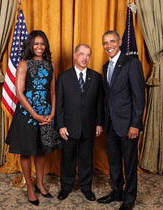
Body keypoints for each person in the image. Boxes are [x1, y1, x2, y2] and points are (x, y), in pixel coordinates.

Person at [6, 30, 60, 206]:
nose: (39, 47)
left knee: (41, 149)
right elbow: (19, 93)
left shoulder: (51, 64)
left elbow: (53, 91)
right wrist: (35, 114)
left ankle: (40, 183)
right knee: (27, 150)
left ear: (46, 46)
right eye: (36, 43)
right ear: (30, 45)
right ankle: (30, 186)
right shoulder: (24, 64)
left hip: (45, 112)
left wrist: (51, 113)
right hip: (27, 114)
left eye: (42, 43)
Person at [96, 31, 145, 210]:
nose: (108, 45)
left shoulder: (131, 63)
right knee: (114, 161)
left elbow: (139, 97)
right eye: (105, 43)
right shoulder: (105, 66)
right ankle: (116, 191)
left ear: (120, 42)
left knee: (130, 163)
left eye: (112, 41)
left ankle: (130, 197)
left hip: (127, 124)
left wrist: (135, 124)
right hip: (111, 124)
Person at [55, 44, 104, 201]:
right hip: (68, 127)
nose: (85, 58)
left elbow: (99, 104)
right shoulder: (63, 77)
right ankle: (66, 186)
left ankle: (85, 187)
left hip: (89, 127)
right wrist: (61, 125)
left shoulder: (96, 77)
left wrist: (99, 123)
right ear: (75, 55)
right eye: (82, 54)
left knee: (86, 158)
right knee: (67, 158)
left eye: (88, 55)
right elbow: (59, 104)